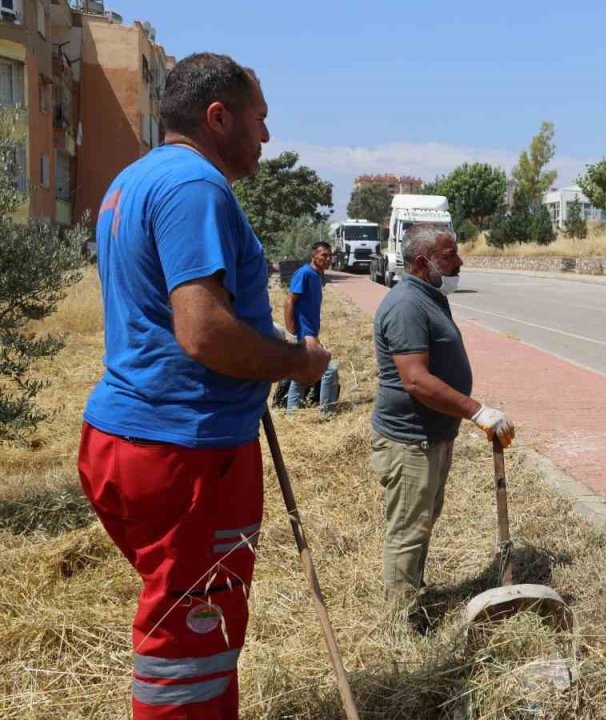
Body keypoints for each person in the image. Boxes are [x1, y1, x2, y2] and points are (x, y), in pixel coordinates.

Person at [78, 53, 330, 719]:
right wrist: (297, 362)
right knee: (190, 641)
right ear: (219, 117)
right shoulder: (196, 187)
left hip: (126, 438)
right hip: (186, 454)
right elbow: (206, 334)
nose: (266, 137)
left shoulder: (133, 181)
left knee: (185, 620)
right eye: (259, 119)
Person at [371, 225, 515, 621]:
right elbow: (416, 379)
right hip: (409, 442)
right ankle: (400, 620)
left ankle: (411, 593)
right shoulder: (406, 305)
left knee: (421, 522)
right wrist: (476, 410)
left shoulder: (428, 297)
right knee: (408, 531)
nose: (459, 262)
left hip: (431, 437)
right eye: (449, 255)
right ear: (422, 262)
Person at [283, 240, 340, 414]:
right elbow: (289, 302)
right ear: (313, 255)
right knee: (329, 369)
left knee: (302, 373)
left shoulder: (316, 276)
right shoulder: (304, 274)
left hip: (310, 334)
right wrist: (292, 331)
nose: (328, 258)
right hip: (304, 335)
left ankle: (292, 413)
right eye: (324, 255)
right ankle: (326, 413)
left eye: (330, 255)